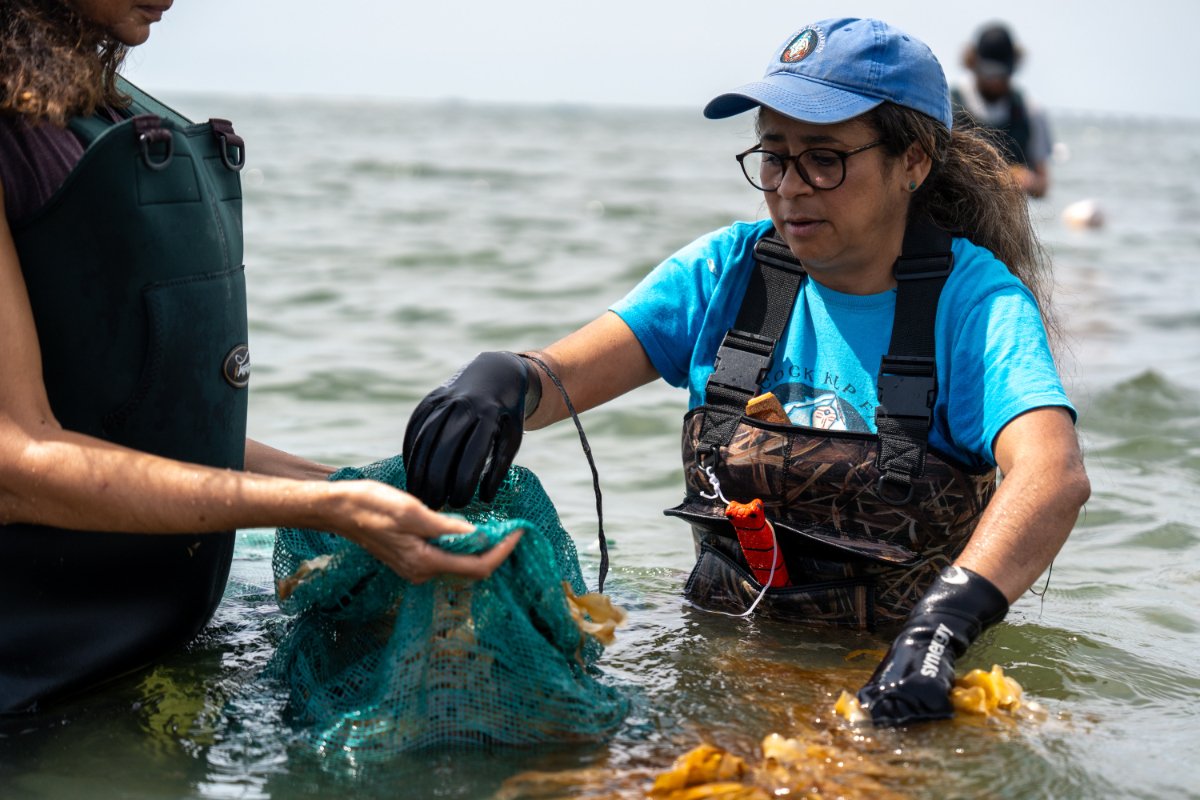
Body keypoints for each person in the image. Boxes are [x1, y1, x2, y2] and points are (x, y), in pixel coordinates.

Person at [402, 17, 1090, 727]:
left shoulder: (975, 304)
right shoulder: (726, 273)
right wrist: (501, 383)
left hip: (888, 692)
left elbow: (1053, 476)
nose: (790, 187)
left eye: (823, 159)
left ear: (913, 162)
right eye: (773, 155)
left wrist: (937, 634)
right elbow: (559, 379)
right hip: (712, 661)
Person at [0, 0, 519, 715]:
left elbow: (138, 422)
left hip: (155, 662)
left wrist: (356, 487)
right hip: (29, 691)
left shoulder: (99, 114)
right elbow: (16, 463)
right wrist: (326, 507)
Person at [951, 22, 1053, 198]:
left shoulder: (1030, 109)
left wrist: (1030, 181)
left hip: (1006, 220)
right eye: (989, 72)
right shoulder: (949, 102)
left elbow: (1042, 186)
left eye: (1002, 73)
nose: (995, 81)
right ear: (973, 63)